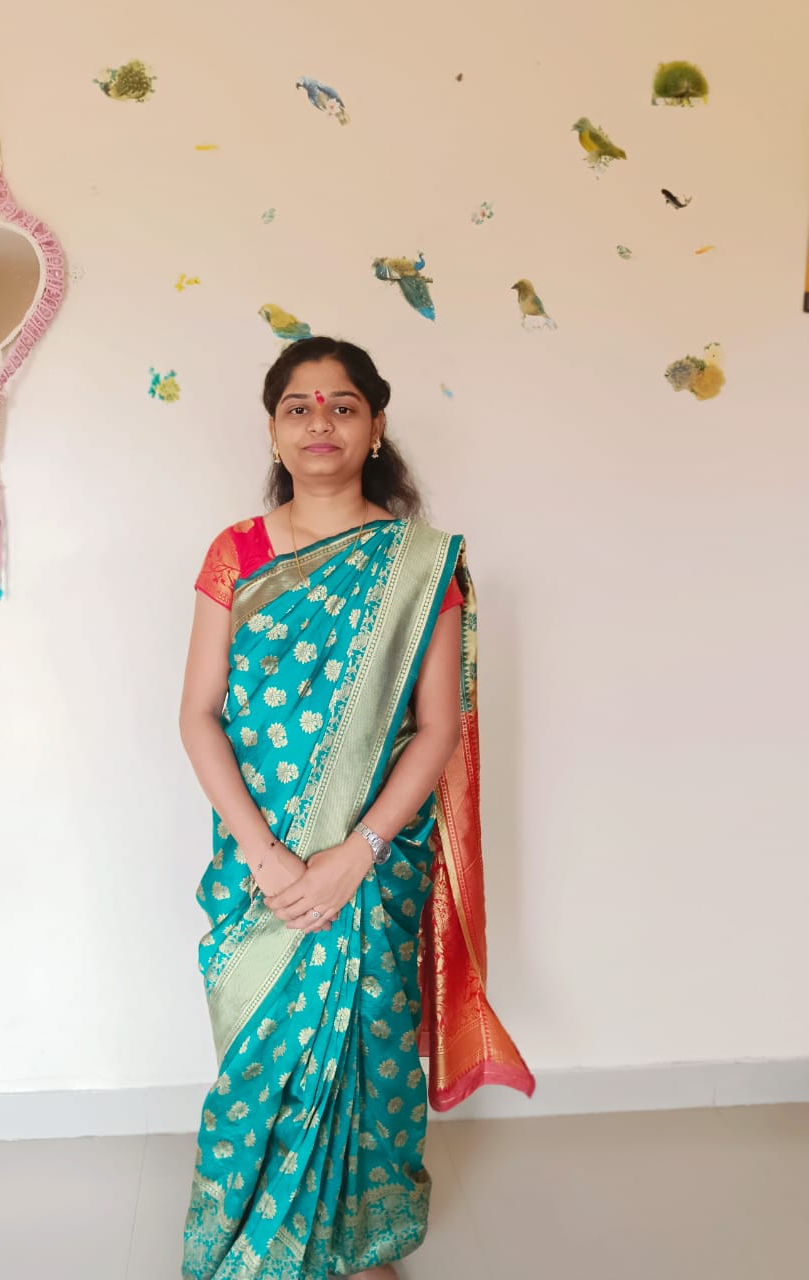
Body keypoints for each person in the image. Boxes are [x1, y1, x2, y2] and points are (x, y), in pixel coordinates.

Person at [179, 337, 534, 1280]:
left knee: (371, 1053)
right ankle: (254, 1246)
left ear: (375, 428)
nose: (320, 423)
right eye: (298, 407)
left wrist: (357, 852)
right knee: (258, 1062)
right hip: (258, 863)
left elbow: (436, 729)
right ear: (273, 430)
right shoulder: (236, 553)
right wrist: (267, 856)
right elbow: (198, 715)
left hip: (373, 864)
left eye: (343, 406)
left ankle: (360, 1242)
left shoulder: (423, 564)